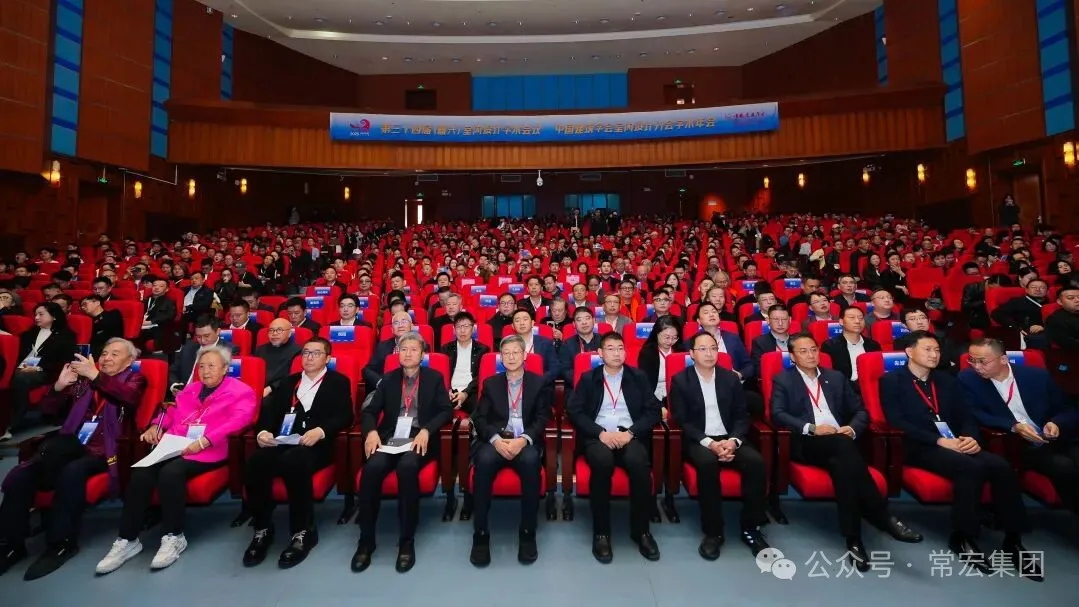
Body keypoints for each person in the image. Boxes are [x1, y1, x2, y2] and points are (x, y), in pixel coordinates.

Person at [880, 331, 1037, 580]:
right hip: (919, 446)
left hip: (956, 442)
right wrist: (939, 440)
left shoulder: (947, 380)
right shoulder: (892, 380)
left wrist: (970, 437)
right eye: (928, 349)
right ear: (909, 352)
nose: (934, 354)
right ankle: (964, 536)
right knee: (970, 467)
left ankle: (1013, 539)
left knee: (1000, 466)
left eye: (937, 350)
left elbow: (966, 415)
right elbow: (897, 421)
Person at [95, 345, 256, 574]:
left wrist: (206, 440)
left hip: (210, 448)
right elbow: (170, 412)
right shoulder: (191, 389)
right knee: (141, 473)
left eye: (211, 366)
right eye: (202, 366)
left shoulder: (241, 391)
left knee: (171, 473)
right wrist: (156, 426)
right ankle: (127, 539)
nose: (205, 371)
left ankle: (174, 536)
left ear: (225, 368)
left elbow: (240, 420)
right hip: (176, 445)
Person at [770, 333, 922, 571]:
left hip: (841, 443)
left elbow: (861, 411)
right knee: (843, 448)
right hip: (808, 442)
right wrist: (812, 428)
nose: (810, 355)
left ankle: (854, 540)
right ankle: (883, 516)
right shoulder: (783, 379)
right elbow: (778, 413)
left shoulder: (835, 377)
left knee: (843, 467)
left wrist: (851, 429)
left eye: (813, 349)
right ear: (792, 356)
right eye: (803, 351)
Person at [0, 339, 146, 580]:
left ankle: (61, 543)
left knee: (71, 471)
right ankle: (11, 544)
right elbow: (49, 411)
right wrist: (58, 387)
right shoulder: (84, 381)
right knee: (23, 473)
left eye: (114, 354)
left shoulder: (134, 379)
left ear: (129, 361)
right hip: (73, 443)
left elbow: (129, 398)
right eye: (104, 353)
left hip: (107, 449)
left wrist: (96, 376)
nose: (106, 358)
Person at [243, 337, 354, 568]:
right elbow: (268, 414)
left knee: (294, 461)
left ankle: (302, 531)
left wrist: (321, 431)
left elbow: (345, 415)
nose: (309, 357)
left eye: (316, 353)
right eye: (305, 353)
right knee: (256, 461)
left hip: (317, 445)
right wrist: (263, 432)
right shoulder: (288, 382)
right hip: (284, 441)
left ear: (327, 358)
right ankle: (263, 528)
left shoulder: (338, 381)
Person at [352, 332, 452, 574]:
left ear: (422, 355)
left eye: (413, 349)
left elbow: (445, 410)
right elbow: (369, 411)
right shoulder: (387, 380)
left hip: (419, 438)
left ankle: (406, 540)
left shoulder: (434, 378)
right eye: (403, 349)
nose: (408, 353)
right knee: (372, 468)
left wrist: (427, 430)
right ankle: (366, 540)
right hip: (390, 438)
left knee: (407, 467)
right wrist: (371, 432)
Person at [669, 331, 771, 561]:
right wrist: (711, 444)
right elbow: (682, 420)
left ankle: (751, 528)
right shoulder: (681, 380)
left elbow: (741, 416)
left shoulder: (730, 379)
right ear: (692, 354)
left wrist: (733, 441)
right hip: (699, 439)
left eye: (713, 348)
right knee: (707, 465)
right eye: (702, 349)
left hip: (730, 437)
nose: (709, 353)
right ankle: (713, 532)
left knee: (756, 463)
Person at [566, 332, 662, 564]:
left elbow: (653, 411)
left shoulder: (638, 377)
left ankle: (641, 531)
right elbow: (575, 411)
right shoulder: (589, 378)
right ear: (600, 353)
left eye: (620, 348)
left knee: (639, 464)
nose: (616, 353)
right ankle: (601, 533)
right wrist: (600, 433)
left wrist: (630, 433)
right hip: (598, 436)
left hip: (629, 435)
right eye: (610, 349)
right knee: (602, 463)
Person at [960, 338, 1079, 514]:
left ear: (1003, 359)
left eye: (982, 361)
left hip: (1055, 437)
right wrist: (1013, 426)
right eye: (972, 360)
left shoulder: (1036, 376)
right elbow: (975, 413)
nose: (976, 367)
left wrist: (1056, 423)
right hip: (1018, 444)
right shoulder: (968, 379)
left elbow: (1067, 409)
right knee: (1064, 467)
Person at [468, 335, 552, 566]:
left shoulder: (538, 383)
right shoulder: (491, 383)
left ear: (525, 356)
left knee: (530, 461)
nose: (511, 357)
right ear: (501, 358)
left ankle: (527, 532)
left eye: (516, 352)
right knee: (483, 461)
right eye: (506, 353)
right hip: (497, 440)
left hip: (524, 441)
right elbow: (480, 418)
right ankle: (481, 533)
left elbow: (543, 417)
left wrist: (524, 440)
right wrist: (495, 440)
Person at [4, 302, 77, 438]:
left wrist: (38, 367)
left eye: (41, 314)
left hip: (48, 371)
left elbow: (65, 360)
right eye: (35, 314)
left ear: (54, 316)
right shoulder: (29, 333)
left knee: (20, 378)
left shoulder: (66, 335)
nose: (36, 317)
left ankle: (9, 424)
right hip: (23, 367)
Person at [168, 315, 236, 396]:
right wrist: (175, 385)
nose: (203, 341)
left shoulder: (229, 350)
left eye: (206, 336)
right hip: (184, 395)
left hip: (213, 397)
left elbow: (229, 382)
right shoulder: (188, 348)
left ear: (218, 331)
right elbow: (172, 371)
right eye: (199, 337)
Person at [441, 312, 488, 413]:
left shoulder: (482, 349)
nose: (462, 330)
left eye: (466, 326)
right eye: (458, 327)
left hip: (472, 392)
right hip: (450, 392)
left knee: (482, 410)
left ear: (473, 329)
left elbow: (481, 376)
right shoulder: (446, 349)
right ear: (454, 330)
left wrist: (465, 393)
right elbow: (441, 374)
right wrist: (447, 390)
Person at [821, 306, 881, 386]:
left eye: (861, 318)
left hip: (870, 386)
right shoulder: (830, 346)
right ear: (841, 322)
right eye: (852, 318)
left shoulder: (874, 345)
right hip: (844, 387)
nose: (857, 321)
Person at [636, 316, 686, 400]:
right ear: (657, 333)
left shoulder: (680, 351)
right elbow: (645, 386)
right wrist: (658, 405)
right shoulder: (648, 353)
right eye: (667, 337)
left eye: (674, 338)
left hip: (678, 395)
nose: (670, 341)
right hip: (655, 397)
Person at [509, 308, 560, 386]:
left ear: (532, 323)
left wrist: (539, 381)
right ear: (513, 326)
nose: (521, 323)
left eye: (525, 319)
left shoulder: (546, 343)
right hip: (515, 385)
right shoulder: (507, 345)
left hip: (541, 385)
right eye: (517, 320)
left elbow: (554, 368)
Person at [254, 318, 303, 397]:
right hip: (258, 389)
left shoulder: (297, 351)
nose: (274, 333)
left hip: (281, 391)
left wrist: (271, 388)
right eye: (271, 330)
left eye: (279, 330)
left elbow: (292, 377)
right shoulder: (260, 350)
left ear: (289, 333)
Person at [559, 307, 602, 388]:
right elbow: (565, 370)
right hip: (577, 387)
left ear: (594, 321)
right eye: (579, 320)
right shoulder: (567, 344)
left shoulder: (604, 342)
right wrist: (583, 382)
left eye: (587, 318)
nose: (584, 322)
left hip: (602, 385)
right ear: (574, 324)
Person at [750, 304, 792, 378]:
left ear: (790, 320)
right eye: (776, 319)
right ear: (768, 320)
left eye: (784, 319)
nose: (780, 323)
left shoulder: (798, 341)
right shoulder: (759, 342)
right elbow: (758, 370)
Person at [138, 277, 176, 347]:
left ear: (167, 289)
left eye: (161, 286)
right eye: (154, 285)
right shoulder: (146, 299)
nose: (156, 288)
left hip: (157, 326)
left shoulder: (169, 302)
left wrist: (150, 322)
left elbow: (169, 316)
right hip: (142, 324)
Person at [1046, 285, 1079, 349]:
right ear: (1060, 302)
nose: (1077, 300)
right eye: (1071, 298)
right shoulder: (1055, 319)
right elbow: (1069, 344)